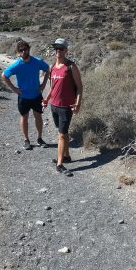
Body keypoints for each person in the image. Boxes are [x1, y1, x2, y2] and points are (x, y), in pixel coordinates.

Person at [42, 38, 82, 176]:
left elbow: (79, 87)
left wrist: (78, 103)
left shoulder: (71, 67)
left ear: (66, 50)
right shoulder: (52, 67)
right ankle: (66, 155)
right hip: (54, 105)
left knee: (61, 135)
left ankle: (60, 164)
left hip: (66, 106)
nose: (58, 51)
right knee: (62, 132)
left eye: (60, 48)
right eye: (56, 48)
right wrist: (46, 100)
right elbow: (53, 87)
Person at [2, 40, 50, 150]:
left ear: (29, 49)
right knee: (24, 117)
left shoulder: (37, 61)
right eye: (21, 50)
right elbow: (4, 75)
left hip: (36, 95)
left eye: (25, 49)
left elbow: (47, 69)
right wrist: (14, 89)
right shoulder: (17, 65)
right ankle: (26, 140)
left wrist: (43, 84)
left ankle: (39, 138)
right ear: (18, 52)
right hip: (23, 97)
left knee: (38, 116)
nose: (24, 52)